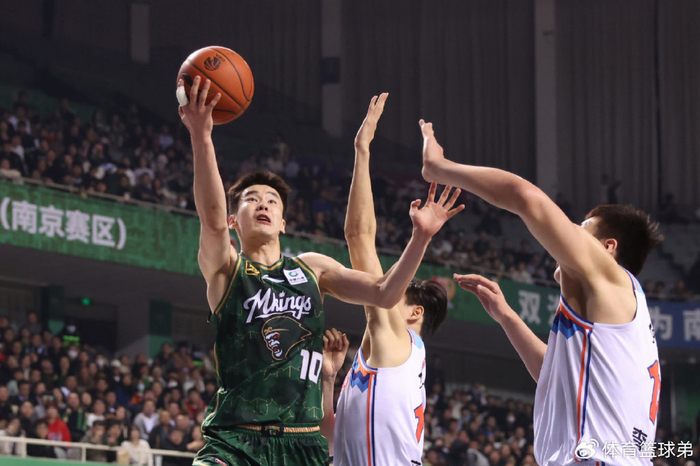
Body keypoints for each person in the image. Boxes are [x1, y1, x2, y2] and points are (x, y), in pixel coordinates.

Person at [178, 77, 461, 466]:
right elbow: (210, 221)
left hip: (301, 444)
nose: (263, 203)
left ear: (283, 223)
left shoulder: (312, 268)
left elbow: (383, 292)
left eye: (272, 200)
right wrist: (202, 136)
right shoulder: (228, 269)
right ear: (233, 220)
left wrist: (421, 237)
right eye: (251, 199)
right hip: (236, 439)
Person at [419, 119, 663, 465]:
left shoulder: (611, 278)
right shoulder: (619, 316)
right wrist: (507, 317)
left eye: (581, 229)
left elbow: (526, 198)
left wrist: (440, 168)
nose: (567, 234)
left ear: (608, 248)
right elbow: (556, 378)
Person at [319, 94, 457, 466]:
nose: (382, 288)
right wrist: (329, 380)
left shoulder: (398, 339)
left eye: (398, 294)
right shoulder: (388, 357)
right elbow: (331, 440)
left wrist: (362, 150)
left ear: (413, 313)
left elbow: (359, 238)